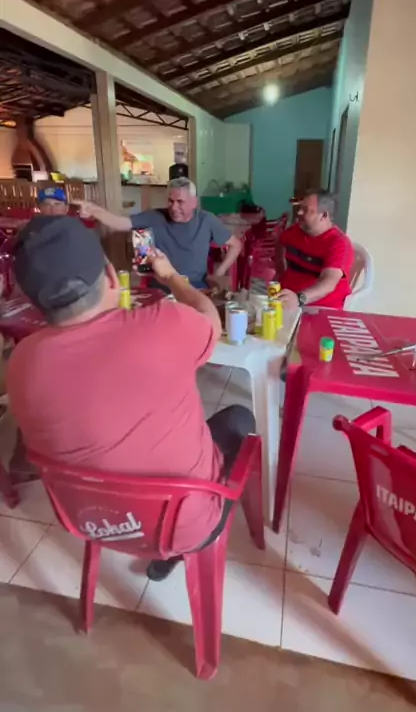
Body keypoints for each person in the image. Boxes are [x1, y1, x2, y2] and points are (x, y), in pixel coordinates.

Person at [7, 216, 255, 581]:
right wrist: (171, 276)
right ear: (111, 276)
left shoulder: (20, 362)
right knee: (239, 418)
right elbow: (210, 320)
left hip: (91, 521)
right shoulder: (163, 324)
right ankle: (179, 548)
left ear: (31, 297)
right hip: (181, 525)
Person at [77, 177, 242, 289]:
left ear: (194, 202)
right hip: (161, 288)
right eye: (170, 201)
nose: (174, 207)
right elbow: (120, 223)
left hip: (195, 287)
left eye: (180, 202)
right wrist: (95, 211)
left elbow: (236, 245)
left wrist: (218, 273)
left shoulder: (206, 220)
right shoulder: (154, 217)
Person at [276, 191, 354, 310]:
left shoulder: (339, 243)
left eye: (305, 210)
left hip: (320, 308)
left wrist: (299, 298)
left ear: (323, 215)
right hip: (287, 301)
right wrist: (280, 271)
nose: (299, 212)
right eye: (300, 208)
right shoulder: (295, 232)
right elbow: (280, 244)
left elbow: (328, 282)